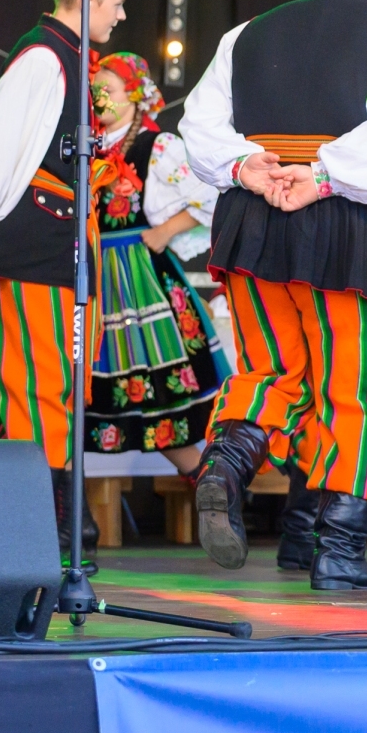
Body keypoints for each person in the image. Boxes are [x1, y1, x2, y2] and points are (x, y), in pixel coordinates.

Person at [180, 0, 367, 591]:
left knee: (271, 370)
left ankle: (226, 468)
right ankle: (337, 548)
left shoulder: (248, 32)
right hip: (351, 223)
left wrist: (246, 167)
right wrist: (322, 174)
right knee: (359, 387)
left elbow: (198, 126)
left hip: (253, 216)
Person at [0, 0, 139, 552]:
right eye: (117, 2)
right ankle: (41, 524)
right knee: (38, 380)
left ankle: (35, 512)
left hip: (65, 238)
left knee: (64, 379)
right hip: (37, 237)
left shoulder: (70, 56)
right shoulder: (43, 57)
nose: (121, 15)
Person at [84, 51, 225, 469]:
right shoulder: (87, 147)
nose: (99, 99)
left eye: (108, 90)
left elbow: (210, 195)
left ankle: (210, 488)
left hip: (140, 276)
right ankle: (66, 501)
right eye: (95, 91)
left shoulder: (156, 146)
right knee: (83, 392)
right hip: (93, 274)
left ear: (135, 94)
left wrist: (166, 230)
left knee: (161, 395)